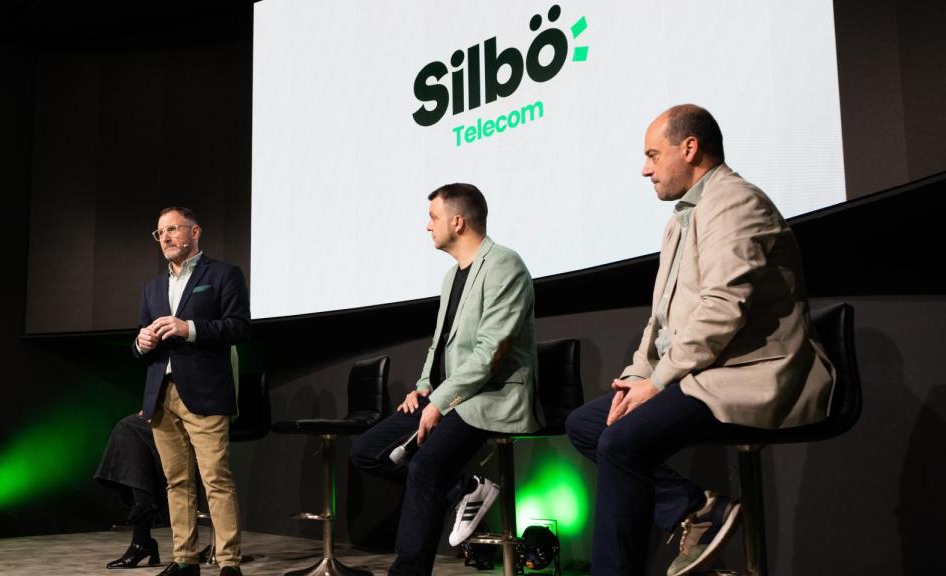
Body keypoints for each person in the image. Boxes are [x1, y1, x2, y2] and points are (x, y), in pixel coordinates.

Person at [565, 104, 835, 576]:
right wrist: (636, 376)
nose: (644, 168)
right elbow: (662, 321)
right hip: (702, 371)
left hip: (748, 372)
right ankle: (695, 508)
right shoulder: (681, 218)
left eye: (652, 154)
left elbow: (722, 309)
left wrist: (659, 381)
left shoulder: (734, 201)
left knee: (622, 441)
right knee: (588, 425)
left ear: (690, 148)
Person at [351, 183, 542, 576]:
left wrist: (439, 402)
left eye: (433, 217)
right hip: (450, 394)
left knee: (424, 469)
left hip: (492, 395)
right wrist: (424, 386)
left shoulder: (505, 264)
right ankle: (465, 488)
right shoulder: (450, 276)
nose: (428, 226)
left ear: (457, 221)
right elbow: (439, 346)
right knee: (367, 451)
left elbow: (492, 352)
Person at [135, 206, 250, 576]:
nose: (165, 238)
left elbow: (238, 327)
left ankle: (229, 561)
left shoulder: (222, 274)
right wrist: (141, 341)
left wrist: (190, 329)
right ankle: (185, 558)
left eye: (172, 229)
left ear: (194, 231)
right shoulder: (152, 287)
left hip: (205, 391)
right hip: (162, 394)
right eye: (160, 233)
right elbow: (137, 343)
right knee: (176, 481)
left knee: (215, 478)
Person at [95, 413, 167, 569]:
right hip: (174, 407)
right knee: (130, 429)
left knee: (130, 427)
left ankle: (142, 537)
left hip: (198, 411)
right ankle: (143, 512)